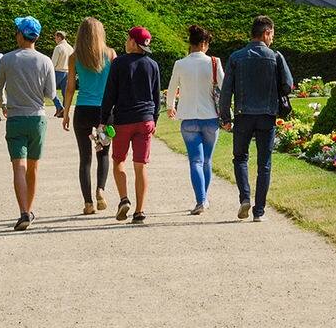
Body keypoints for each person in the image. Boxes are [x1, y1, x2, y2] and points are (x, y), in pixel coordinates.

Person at [218, 14, 294, 220]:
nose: (272, 39)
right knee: (264, 163)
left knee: (240, 158)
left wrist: (225, 117)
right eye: (272, 35)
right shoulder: (275, 57)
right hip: (267, 115)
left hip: (243, 114)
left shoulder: (236, 57)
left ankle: (245, 197)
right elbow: (288, 85)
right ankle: (259, 211)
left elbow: (226, 91)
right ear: (266, 33)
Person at [0, 17, 55, 231]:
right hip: (37, 118)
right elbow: (50, 93)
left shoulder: (7, 59)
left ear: (21, 35)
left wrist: (4, 104)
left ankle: (23, 212)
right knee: (33, 167)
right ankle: (29, 211)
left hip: (15, 118)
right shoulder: (45, 61)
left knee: (18, 167)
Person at [104, 26, 163, 224]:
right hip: (145, 119)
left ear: (132, 42)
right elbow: (156, 96)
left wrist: (104, 120)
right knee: (141, 166)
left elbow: (110, 94)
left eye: (128, 39)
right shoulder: (153, 65)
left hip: (123, 121)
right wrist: (154, 119)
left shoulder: (119, 63)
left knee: (118, 161)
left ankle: (124, 199)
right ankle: (139, 211)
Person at [58, 17, 113, 215]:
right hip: (103, 112)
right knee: (103, 154)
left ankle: (88, 203)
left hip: (82, 110)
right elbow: (114, 85)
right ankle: (100, 190)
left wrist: (65, 112)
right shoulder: (110, 54)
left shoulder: (75, 57)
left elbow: (70, 88)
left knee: (85, 158)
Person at [166, 25, 223, 215]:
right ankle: (204, 198)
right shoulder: (214, 62)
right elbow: (224, 87)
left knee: (195, 161)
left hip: (188, 118)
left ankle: (201, 200)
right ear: (204, 44)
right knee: (207, 161)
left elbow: (172, 88)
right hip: (210, 118)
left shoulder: (180, 64)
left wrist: (170, 106)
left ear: (191, 44)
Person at [50, 27, 74, 112]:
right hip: (68, 72)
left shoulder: (58, 47)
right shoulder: (70, 48)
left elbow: (53, 63)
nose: (55, 39)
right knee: (66, 93)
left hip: (58, 72)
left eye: (55, 37)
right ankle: (65, 111)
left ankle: (59, 107)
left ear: (59, 37)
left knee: (51, 90)